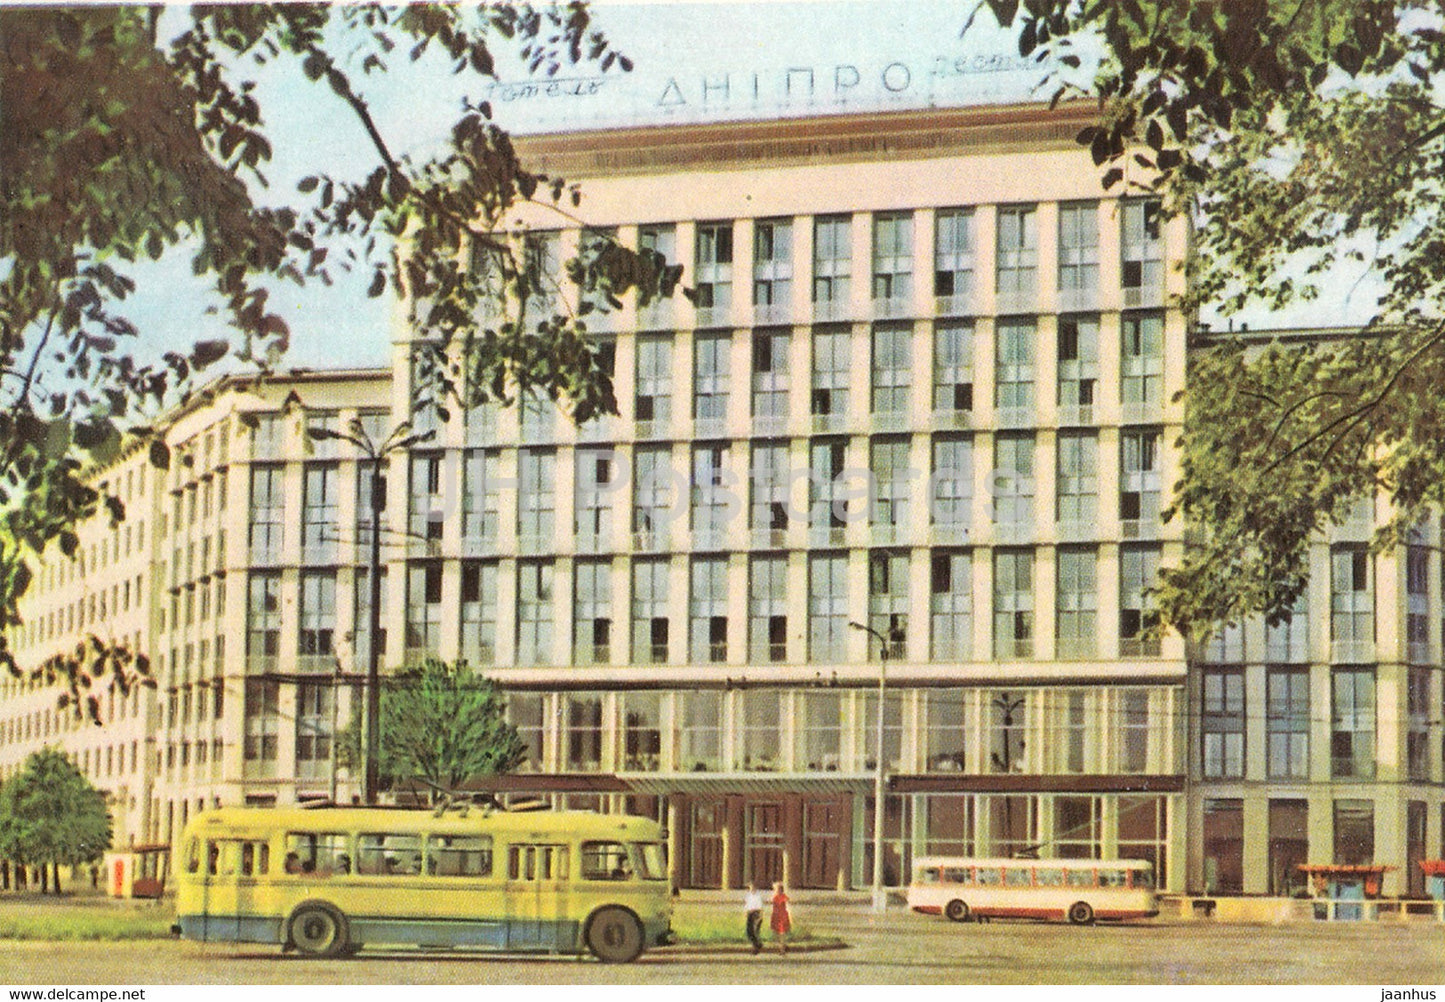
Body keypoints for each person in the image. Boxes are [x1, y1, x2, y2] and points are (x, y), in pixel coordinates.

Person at [769, 881, 791, 955]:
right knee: (776, 933)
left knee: (782, 933)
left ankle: (782, 949)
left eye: (776, 889)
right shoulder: (775, 896)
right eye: (775, 889)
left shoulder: (782, 896)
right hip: (776, 916)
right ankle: (782, 946)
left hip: (782, 916)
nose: (775, 891)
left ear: (780, 890)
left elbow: (787, 901)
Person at [743, 882, 764, 954]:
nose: (751, 888)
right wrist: (745, 912)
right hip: (750, 913)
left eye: (752, 887)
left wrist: (760, 916)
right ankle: (758, 944)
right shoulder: (748, 895)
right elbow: (747, 904)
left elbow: (760, 906)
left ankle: (756, 946)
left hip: (756, 913)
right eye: (750, 887)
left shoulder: (758, 895)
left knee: (754, 931)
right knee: (749, 931)